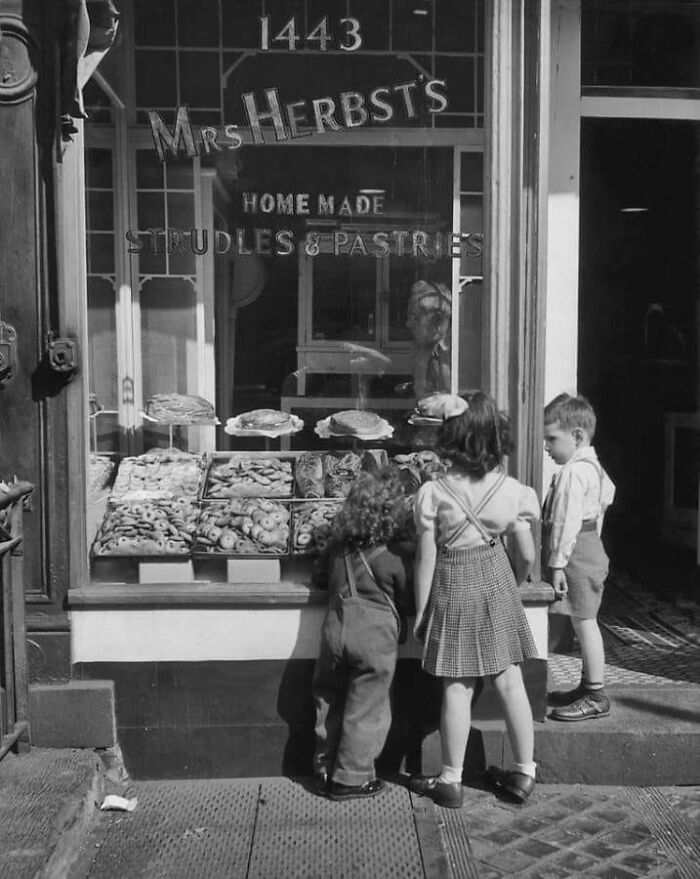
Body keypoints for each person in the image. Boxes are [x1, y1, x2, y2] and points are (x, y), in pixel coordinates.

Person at [408, 392, 540, 808]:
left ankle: (451, 779)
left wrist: (421, 608)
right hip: (497, 575)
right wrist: (513, 583)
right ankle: (524, 772)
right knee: (510, 680)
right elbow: (529, 553)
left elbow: (426, 557)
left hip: (453, 579)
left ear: (451, 438)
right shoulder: (514, 490)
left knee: (457, 685)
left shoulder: (433, 492)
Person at [311, 468, 411, 801]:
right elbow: (406, 595)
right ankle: (351, 779)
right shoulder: (393, 557)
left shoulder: (338, 548)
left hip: (334, 632)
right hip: (373, 638)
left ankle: (325, 766)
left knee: (330, 699)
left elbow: (319, 579)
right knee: (366, 708)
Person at [543, 393, 616, 721]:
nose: (547, 447)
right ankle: (587, 686)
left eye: (551, 439)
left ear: (577, 436)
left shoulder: (574, 473)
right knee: (580, 619)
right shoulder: (593, 468)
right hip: (587, 548)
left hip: (576, 553)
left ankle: (597, 694)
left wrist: (557, 562)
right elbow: (609, 495)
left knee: (585, 622)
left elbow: (565, 521)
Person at [405, 280, 452, 399]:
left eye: (415, 318)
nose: (408, 324)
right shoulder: (419, 348)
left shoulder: (460, 351)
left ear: (438, 320)